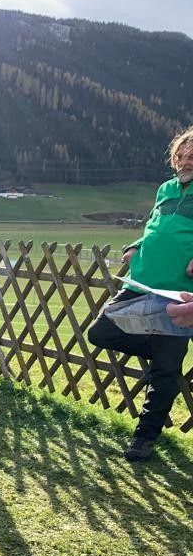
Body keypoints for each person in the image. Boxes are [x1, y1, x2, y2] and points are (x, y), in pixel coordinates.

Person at [87, 125, 193, 461]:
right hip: (140, 283)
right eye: (181, 155)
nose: (185, 161)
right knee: (101, 331)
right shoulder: (166, 188)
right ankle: (159, 346)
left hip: (179, 294)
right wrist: (134, 246)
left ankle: (143, 439)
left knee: (164, 374)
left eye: (192, 156)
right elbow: (153, 224)